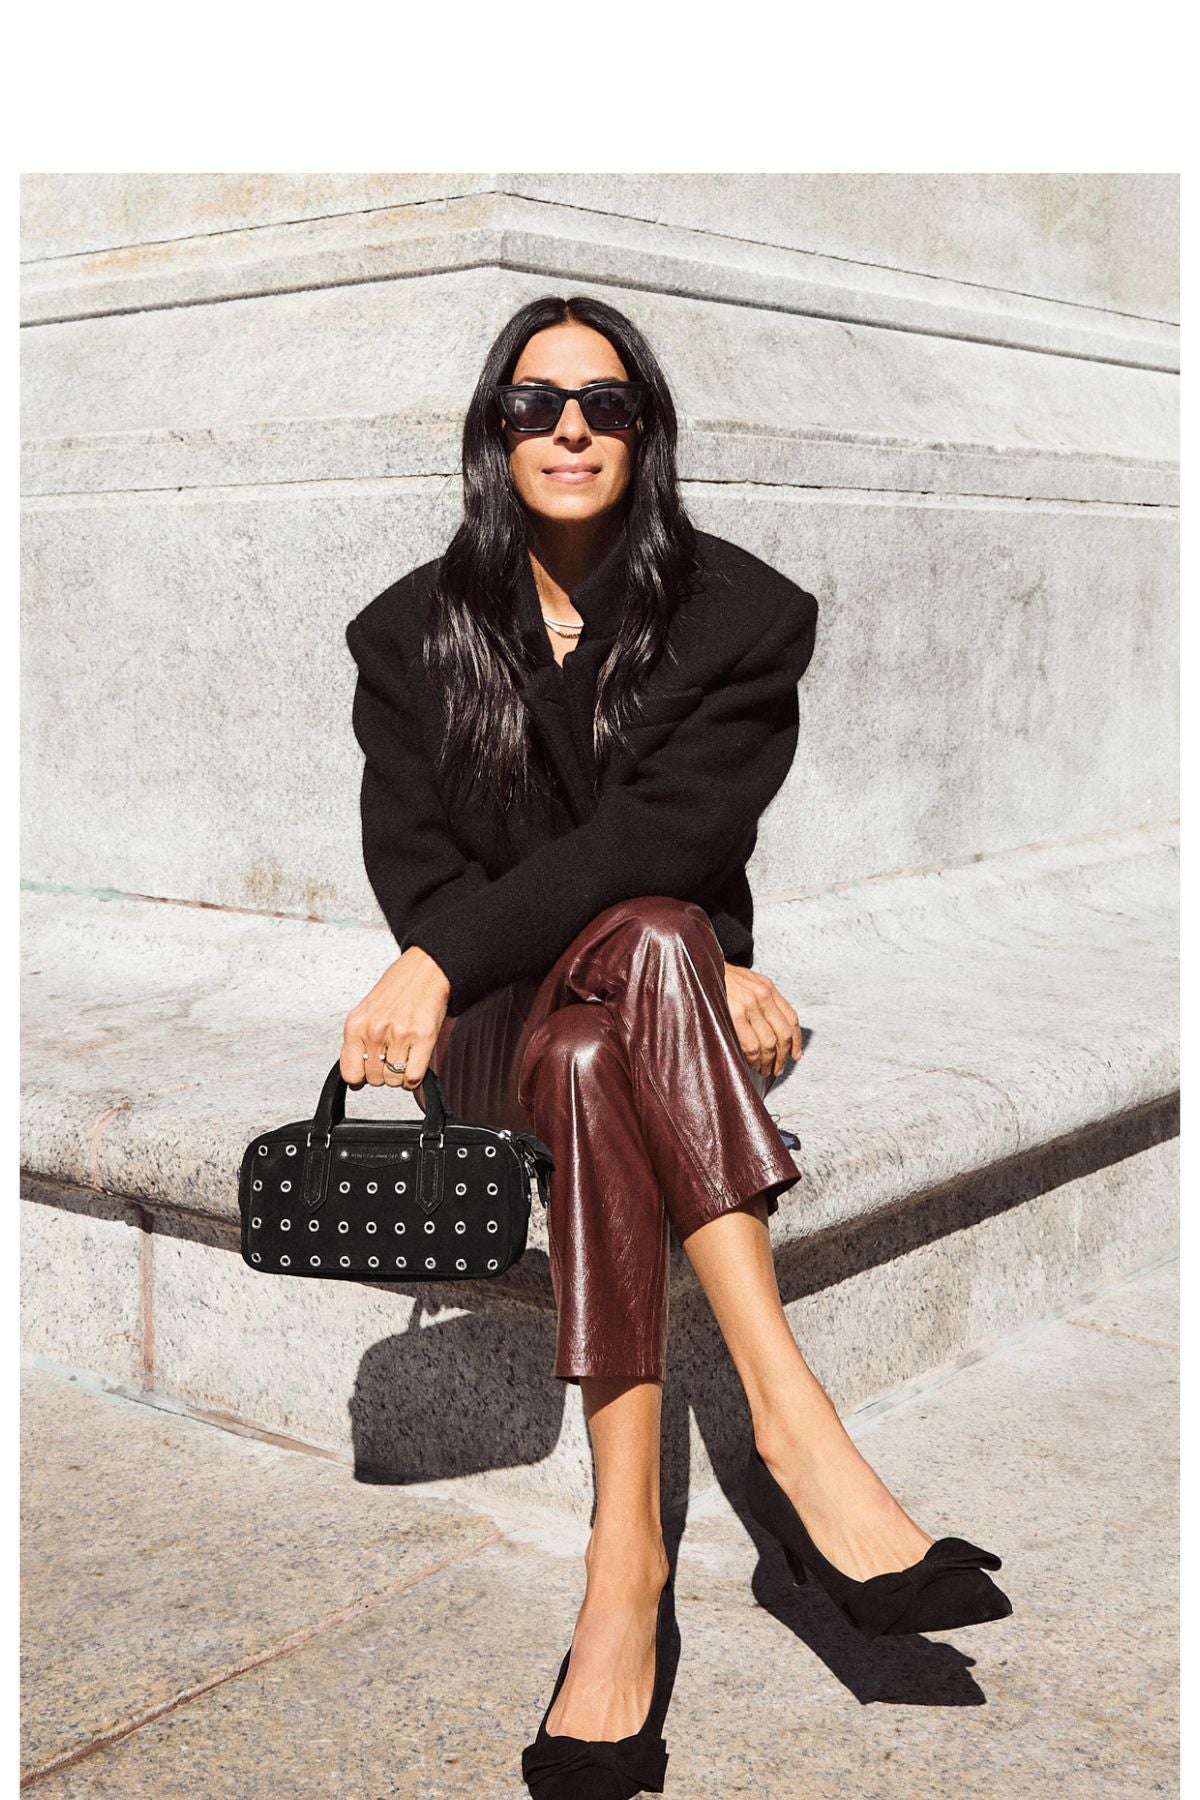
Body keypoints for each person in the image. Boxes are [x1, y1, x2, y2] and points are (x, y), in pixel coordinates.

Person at [342, 294, 1011, 1798]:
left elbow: (674, 833)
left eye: (604, 401)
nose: (568, 427)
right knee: (638, 959)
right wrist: (690, 957)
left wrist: (681, 946)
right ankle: (800, 1427)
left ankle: (624, 1561)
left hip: (587, 1022)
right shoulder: (407, 636)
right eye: (533, 404)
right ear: (491, 436)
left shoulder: (742, 616)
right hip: (490, 1024)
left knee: (608, 1043)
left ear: (646, 430)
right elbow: (429, 883)